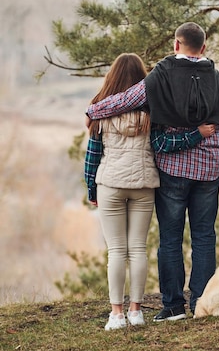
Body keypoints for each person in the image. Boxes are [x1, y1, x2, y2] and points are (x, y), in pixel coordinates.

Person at [85, 22, 219, 321]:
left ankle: (172, 306)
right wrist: (216, 152)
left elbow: (126, 100)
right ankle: (202, 301)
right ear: (204, 47)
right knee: (204, 236)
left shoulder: (162, 75)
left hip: (172, 169)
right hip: (208, 173)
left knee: (170, 238)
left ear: (176, 45)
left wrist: (93, 111)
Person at [84, 53, 159, 330]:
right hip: (143, 184)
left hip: (111, 184)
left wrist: (92, 188)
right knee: (138, 248)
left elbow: (92, 156)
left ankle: (116, 314)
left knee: (116, 250)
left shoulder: (100, 112)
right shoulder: (153, 113)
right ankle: (136, 311)